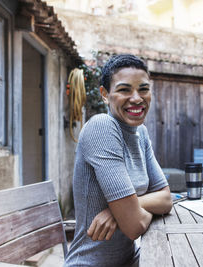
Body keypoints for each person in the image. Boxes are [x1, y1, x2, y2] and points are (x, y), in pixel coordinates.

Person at [64, 54, 172, 267]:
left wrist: (120, 210)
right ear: (105, 95)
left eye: (143, 89)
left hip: (129, 261)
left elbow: (166, 199)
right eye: (124, 90)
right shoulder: (102, 127)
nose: (136, 98)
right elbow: (134, 225)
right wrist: (128, 212)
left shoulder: (140, 133)